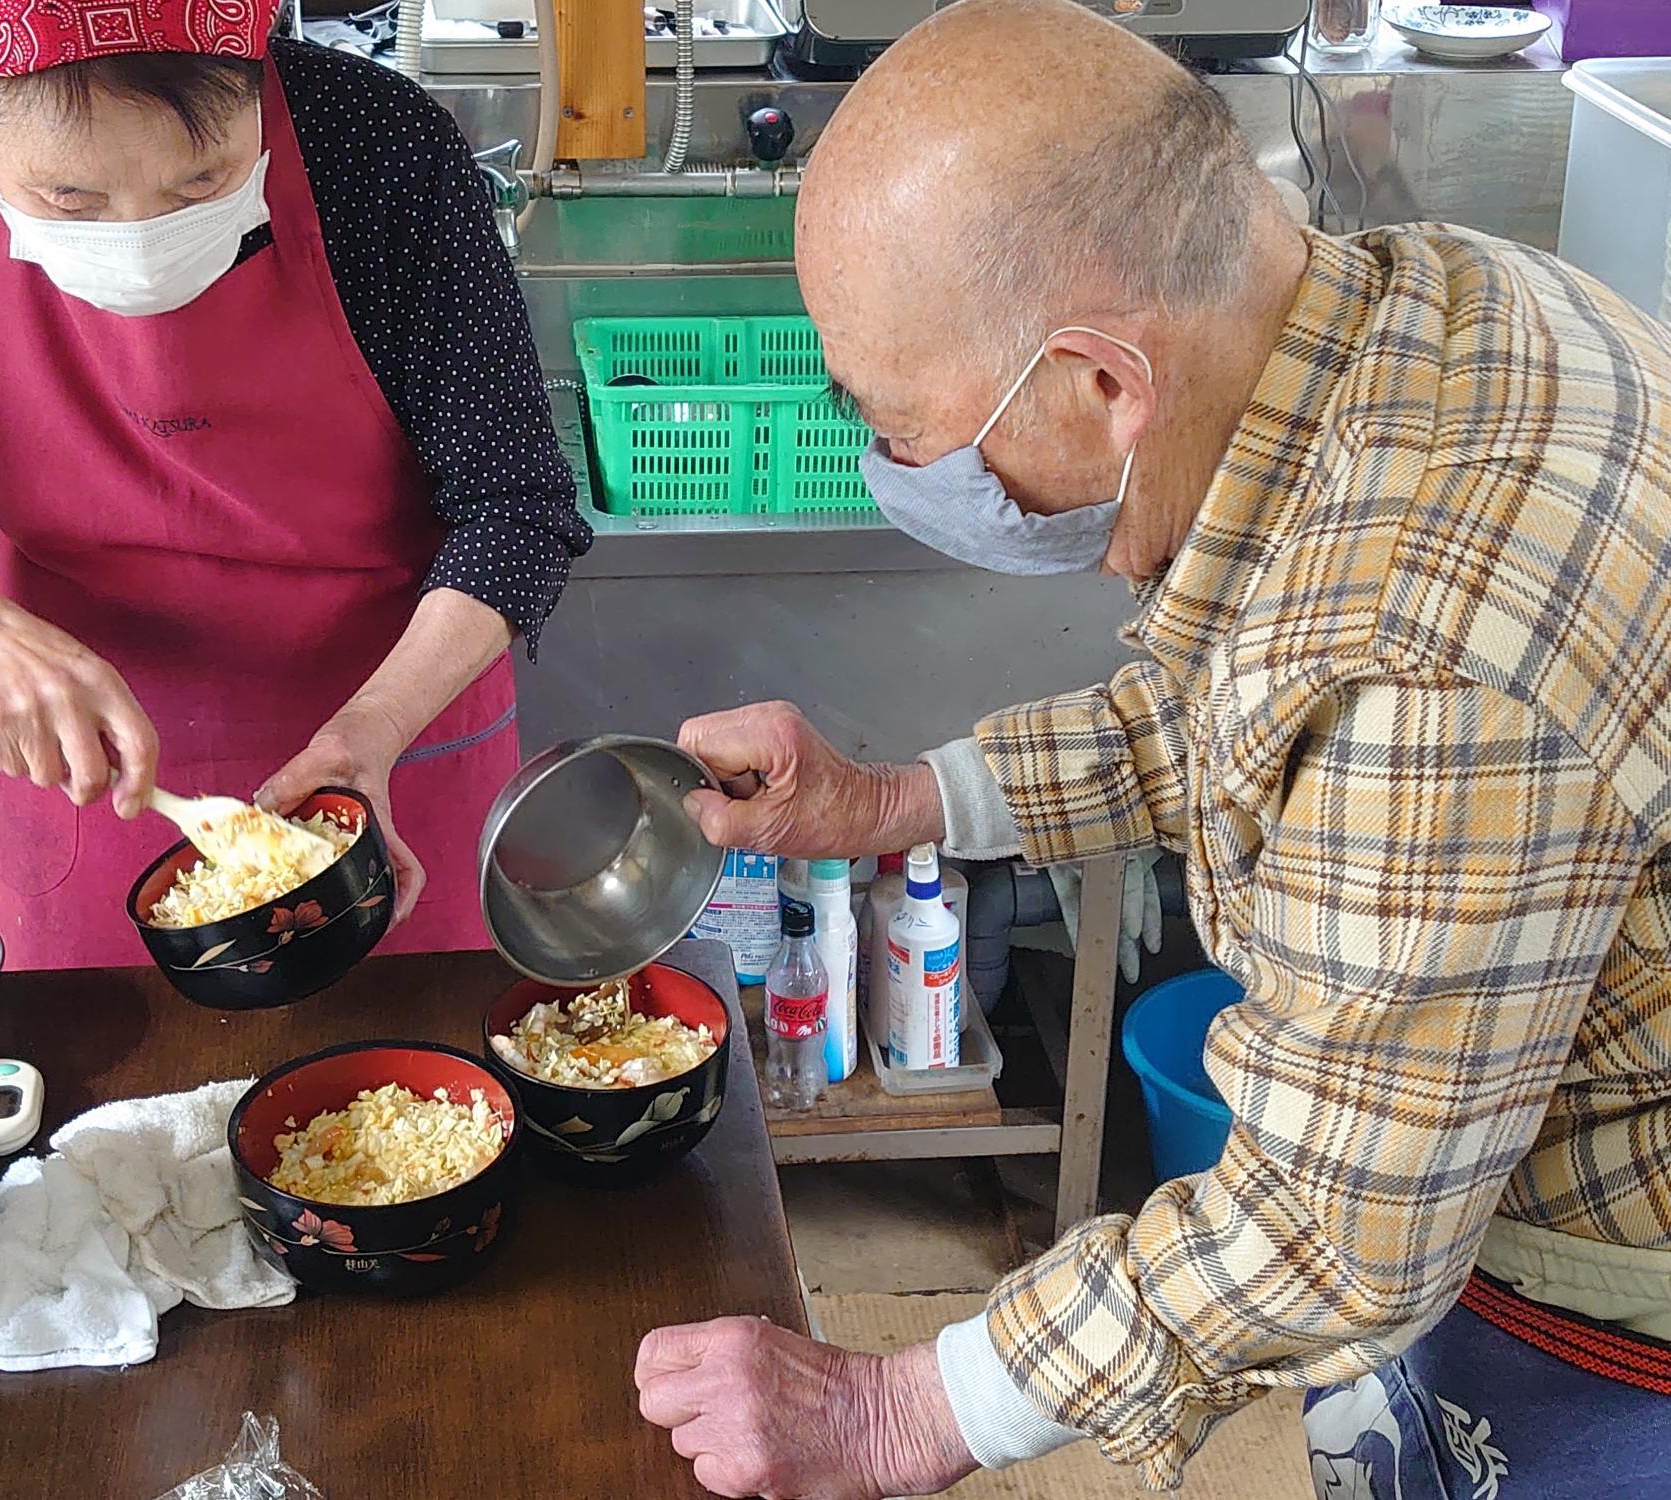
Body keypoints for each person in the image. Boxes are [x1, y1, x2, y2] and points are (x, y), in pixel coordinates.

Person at [634, 2, 1671, 1496]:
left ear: (1106, 386)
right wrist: (890, 802)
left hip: (1605, 1298)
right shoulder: (1409, 313)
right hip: (1474, 1158)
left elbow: (1324, 1228)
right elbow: (1233, 708)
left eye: (906, 424)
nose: (898, 474)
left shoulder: (1440, 651)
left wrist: (900, 1413)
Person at [0, 0, 589, 967]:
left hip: (392, 736)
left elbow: (518, 508)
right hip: (81, 767)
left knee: (419, 1098)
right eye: (69, 199)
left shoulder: (376, 141)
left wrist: (374, 728)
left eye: (201, 181)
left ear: (256, 76)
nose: (142, 238)